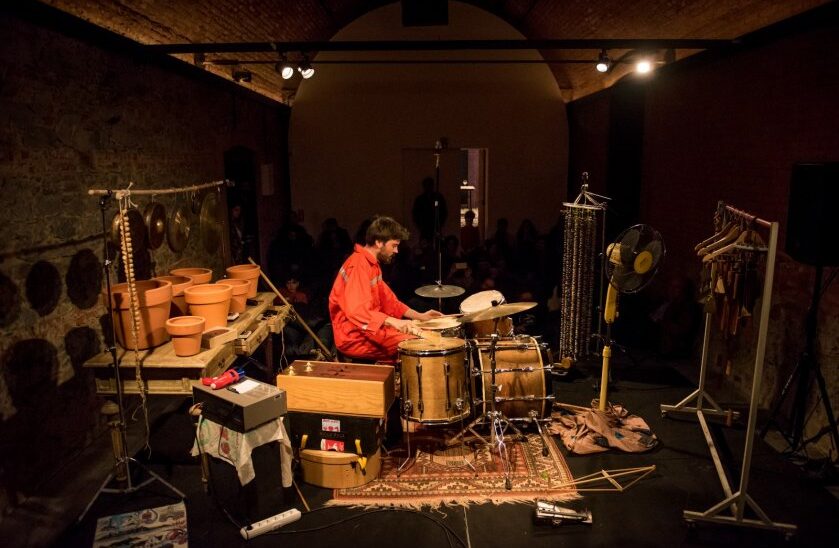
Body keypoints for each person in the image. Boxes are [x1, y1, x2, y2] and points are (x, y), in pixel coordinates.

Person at [329, 216, 442, 361]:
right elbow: (357, 311)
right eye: (394, 245)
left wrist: (420, 316)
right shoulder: (358, 266)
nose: (397, 251)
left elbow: (389, 301)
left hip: (367, 330)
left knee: (423, 334)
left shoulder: (371, 264)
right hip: (354, 336)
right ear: (378, 242)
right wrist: (395, 322)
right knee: (419, 344)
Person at [411, 176, 447, 242]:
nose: (428, 187)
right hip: (424, 227)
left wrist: (440, 223)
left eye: (430, 185)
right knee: (425, 243)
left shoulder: (438, 197)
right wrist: (420, 225)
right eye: (426, 185)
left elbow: (443, 211)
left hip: (436, 226)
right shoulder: (420, 199)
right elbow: (416, 213)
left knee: (436, 242)